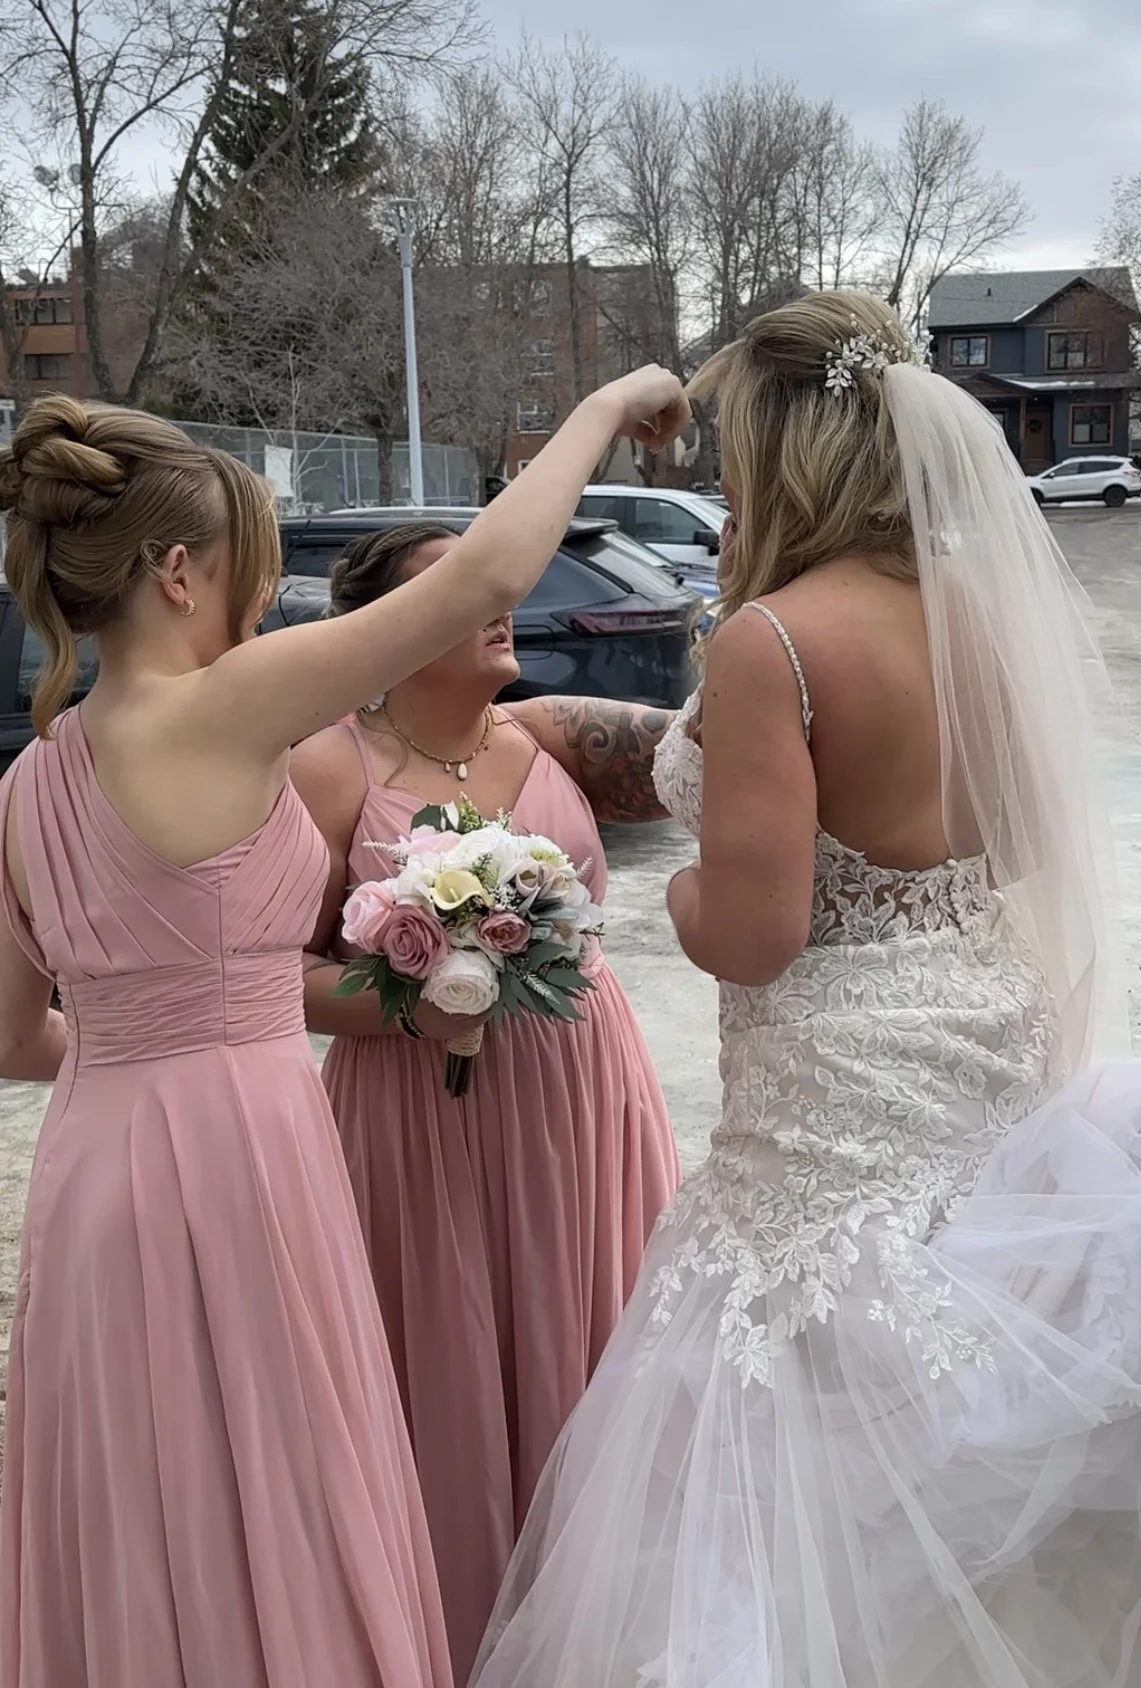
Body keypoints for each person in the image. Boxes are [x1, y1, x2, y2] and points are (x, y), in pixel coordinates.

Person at [469, 294, 1141, 1688]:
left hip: (825, 1101)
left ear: (785, 458)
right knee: (937, 1431)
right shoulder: (984, 618)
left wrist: (666, 889)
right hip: (981, 1046)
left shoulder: (775, 643)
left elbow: (751, 934)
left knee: (777, 1422)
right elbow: (1033, 842)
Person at [0, 368, 688, 1688]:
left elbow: (16, 1042)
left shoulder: (26, 787)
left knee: (140, 1503)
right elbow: (483, 570)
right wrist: (604, 410)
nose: (267, 606)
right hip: (245, 1160)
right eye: (253, 574)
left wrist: (148, 1060)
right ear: (178, 573)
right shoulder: (226, 706)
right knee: (284, 1480)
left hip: (92, 1173)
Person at [292, 520, 681, 1685]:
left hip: (582, 1102)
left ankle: (597, 1634)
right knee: (446, 1371)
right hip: (419, 1120)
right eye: (460, 589)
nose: (500, 602)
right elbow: (265, 971)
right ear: (390, 626)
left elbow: (735, 762)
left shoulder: (549, 731)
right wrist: (408, 998)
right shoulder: (327, 766)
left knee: (595, 1353)